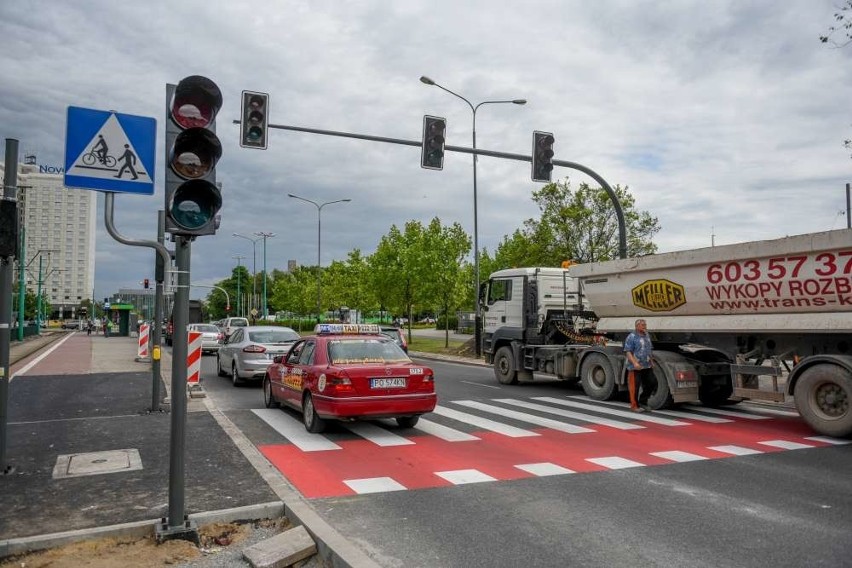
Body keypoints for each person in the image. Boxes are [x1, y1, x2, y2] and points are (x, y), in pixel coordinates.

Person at [624, 318, 654, 412]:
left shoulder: (647, 335)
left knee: (652, 383)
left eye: (645, 324)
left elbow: (649, 349)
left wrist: (652, 361)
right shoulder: (631, 336)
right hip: (635, 366)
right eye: (643, 325)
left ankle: (643, 401)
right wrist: (634, 363)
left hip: (647, 365)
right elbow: (628, 352)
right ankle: (634, 406)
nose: (645, 326)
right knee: (635, 386)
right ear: (637, 326)